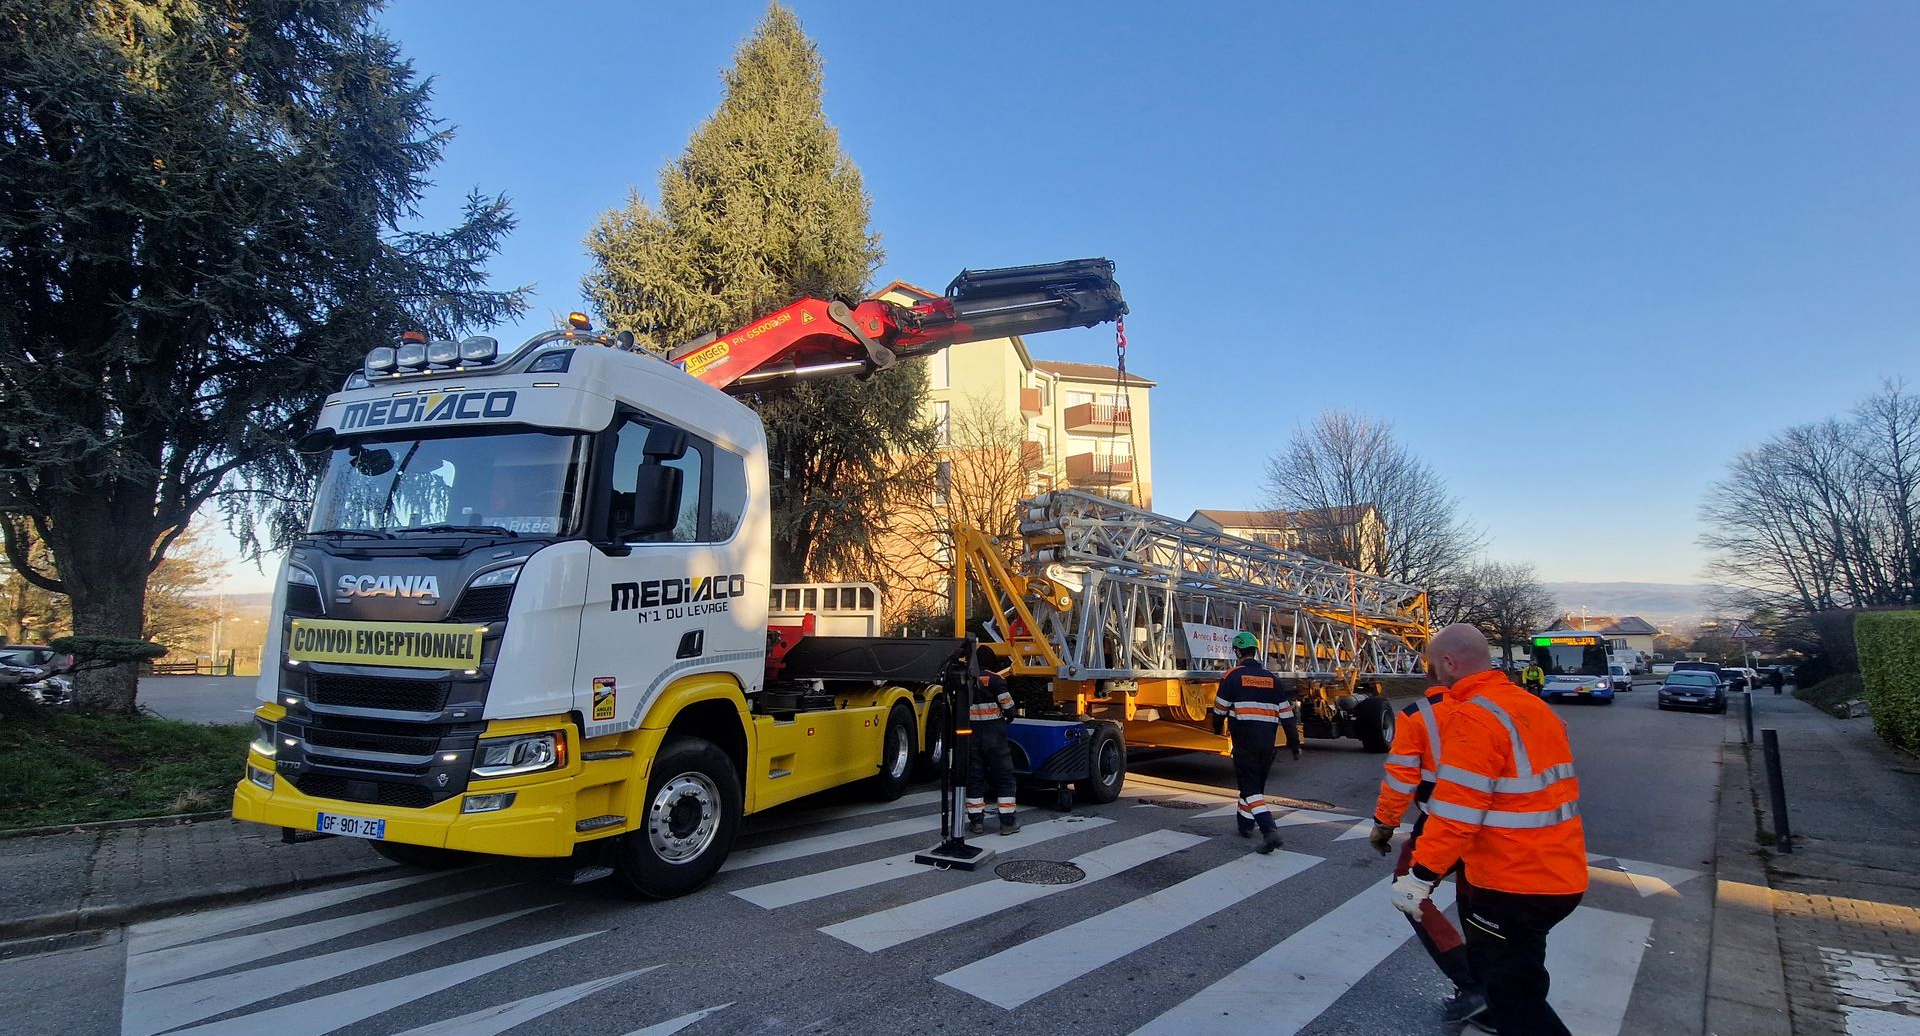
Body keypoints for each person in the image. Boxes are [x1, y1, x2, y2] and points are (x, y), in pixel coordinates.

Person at [1391, 624, 1588, 1036]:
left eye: (1433, 665)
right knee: (1521, 983)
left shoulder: (1475, 717)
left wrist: (1420, 878)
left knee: (1514, 1004)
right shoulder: (1532, 706)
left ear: (1448, 663)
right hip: (1558, 873)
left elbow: (1455, 813)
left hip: (1510, 883)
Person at [1370, 670, 1489, 1030]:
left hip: (1442, 822)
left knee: (1409, 891)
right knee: (1475, 898)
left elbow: (1401, 780)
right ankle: (1491, 988)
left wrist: (1384, 824)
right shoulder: (1504, 707)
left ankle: (1470, 984)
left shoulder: (1419, 714)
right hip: (1498, 826)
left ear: (1432, 673)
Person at [1210, 631, 1294, 854]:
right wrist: (1294, 744)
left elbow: (1219, 709)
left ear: (1237, 652)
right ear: (1255, 651)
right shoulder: (1272, 679)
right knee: (1253, 788)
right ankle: (1245, 824)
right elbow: (1287, 715)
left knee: (1249, 788)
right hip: (1268, 746)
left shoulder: (1231, 677)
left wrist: (1216, 729)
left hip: (1245, 744)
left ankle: (1269, 830)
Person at [966, 644, 1020, 836]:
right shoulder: (996, 680)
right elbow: (1009, 709)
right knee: (1005, 778)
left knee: (975, 778)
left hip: (971, 737)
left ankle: (976, 823)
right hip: (995, 737)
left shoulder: (966, 680)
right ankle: (1007, 823)